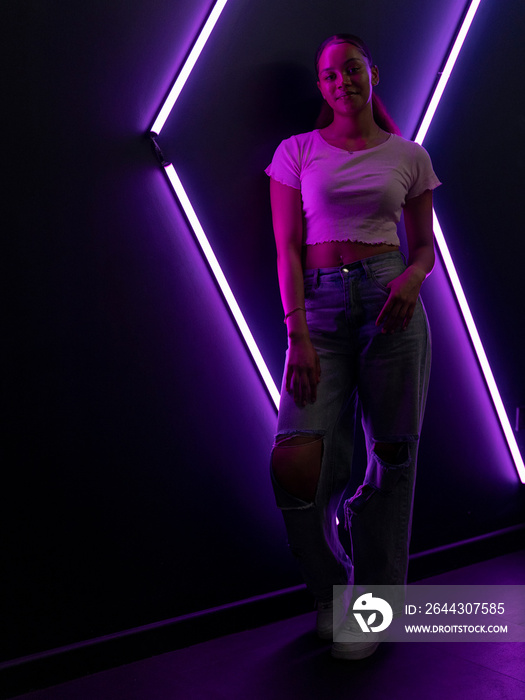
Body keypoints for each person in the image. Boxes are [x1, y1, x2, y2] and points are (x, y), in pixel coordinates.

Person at [265, 34, 441, 660]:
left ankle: (373, 613)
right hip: (317, 311)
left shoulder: (410, 155)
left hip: (392, 307)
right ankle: (329, 592)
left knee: (393, 458)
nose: (342, 81)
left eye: (353, 69)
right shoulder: (296, 153)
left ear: (373, 74)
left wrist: (411, 280)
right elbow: (287, 249)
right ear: (321, 87)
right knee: (296, 462)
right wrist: (298, 335)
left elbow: (423, 246)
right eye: (330, 75)